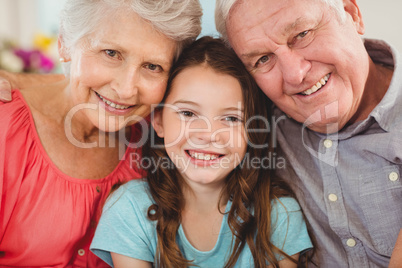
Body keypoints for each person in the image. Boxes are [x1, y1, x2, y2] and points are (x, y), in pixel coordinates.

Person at [0, 0, 202, 266]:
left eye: (153, 66)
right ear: (65, 41)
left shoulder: (160, 139)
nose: (127, 89)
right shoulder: (7, 129)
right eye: (111, 53)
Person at [90, 37, 313, 267]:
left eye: (230, 118)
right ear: (158, 121)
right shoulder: (129, 209)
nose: (208, 135)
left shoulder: (278, 213)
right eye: (188, 113)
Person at [215, 0, 401, 267]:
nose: (295, 74)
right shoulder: (257, 122)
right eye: (263, 59)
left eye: (302, 34)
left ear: (351, 14)